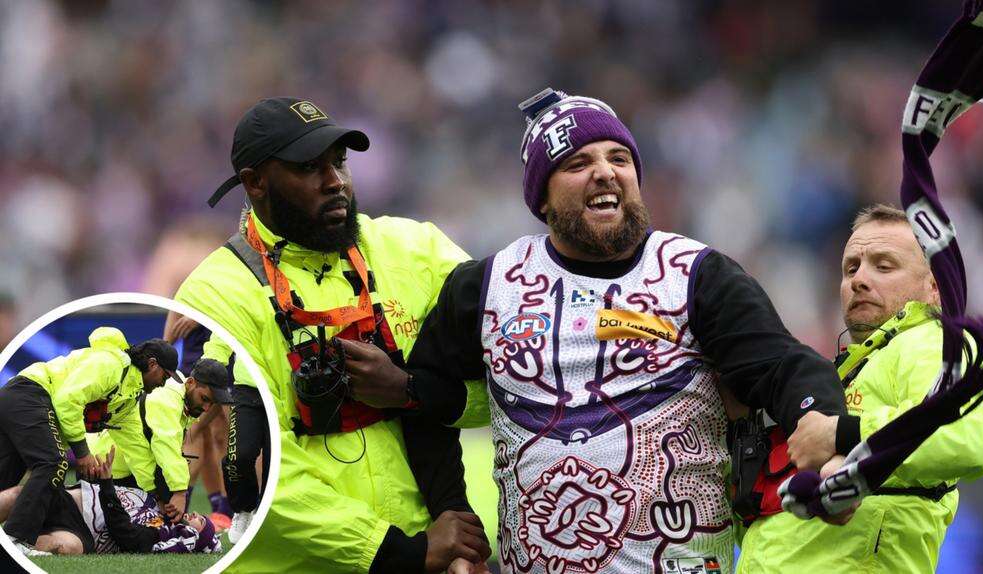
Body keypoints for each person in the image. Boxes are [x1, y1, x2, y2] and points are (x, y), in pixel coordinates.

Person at [343, 88, 850, 574]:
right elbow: (421, 404)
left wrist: (820, 423)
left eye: (619, 159)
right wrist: (453, 519)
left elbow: (783, 367)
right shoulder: (486, 285)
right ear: (542, 196)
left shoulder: (697, 275)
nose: (605, 172)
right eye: (577, 164)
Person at [174, 97, 490, 572]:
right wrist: (402, 553)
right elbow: (253, 468)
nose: (335, 181)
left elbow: (513, 384)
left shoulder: (418, 250)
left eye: (339, 161)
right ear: (255, 183)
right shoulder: (215, 293)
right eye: (308, 167)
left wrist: (408, 391)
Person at [736, 205, 983, 573]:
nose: (859, 279)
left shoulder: (937, 342)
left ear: (933, 287)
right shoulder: (841, 371)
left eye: (884, 266)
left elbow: (968, 434)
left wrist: (840, 432)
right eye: (852, 268)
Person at [0, 326, 181, 553]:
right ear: (153, 364)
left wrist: (157, 496)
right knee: (53, 463)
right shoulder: (112, 364)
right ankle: (16, 540)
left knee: (6, 476)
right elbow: (68, 400)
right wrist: (83, 453)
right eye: (165, 376)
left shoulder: (128, 399)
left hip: (22, 399)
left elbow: (137, 450)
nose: (164, 384)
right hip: (31, 392)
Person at [86, 358, 234, 523]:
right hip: (105, 467)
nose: (207, 408)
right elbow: (166, 446)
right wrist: (179, 492)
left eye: (212, 403)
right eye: (205, 399)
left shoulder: (179, 388)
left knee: (162, 524)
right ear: (190, 382)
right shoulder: (166, 400)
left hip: (126, 468)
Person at [0, 449, 221, 555]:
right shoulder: (145, 490)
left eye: (200, 520)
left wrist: (106, 483)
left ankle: (13, 546)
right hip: (69, 502)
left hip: (82, 533)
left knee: (69, 548)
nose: (194, 515)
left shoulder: (161, 534)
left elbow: (124, 533)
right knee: (19, 496)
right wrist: (97, 477)